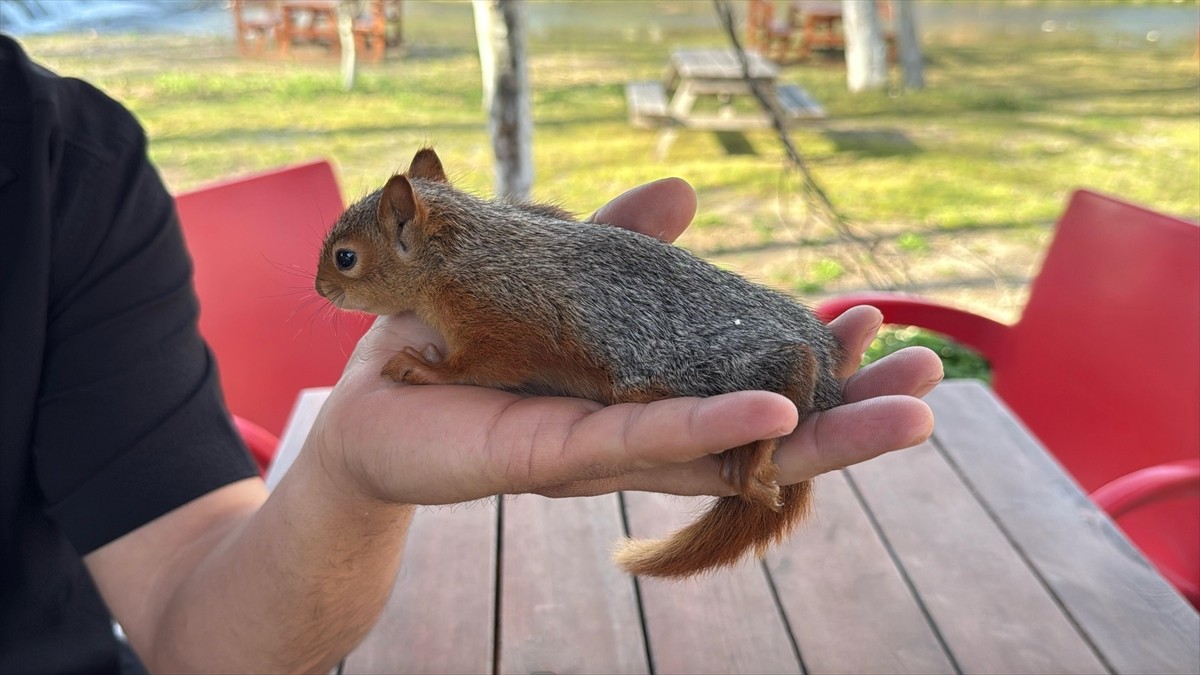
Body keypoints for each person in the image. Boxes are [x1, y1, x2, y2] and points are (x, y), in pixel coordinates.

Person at [0, 34, 943, 674]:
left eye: (346, 266)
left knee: (708, 373)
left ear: (410, 229)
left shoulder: (68, 159)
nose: (330, 288)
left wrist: (369, 454)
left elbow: (508, 340)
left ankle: (775, 404)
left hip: (663, 345)